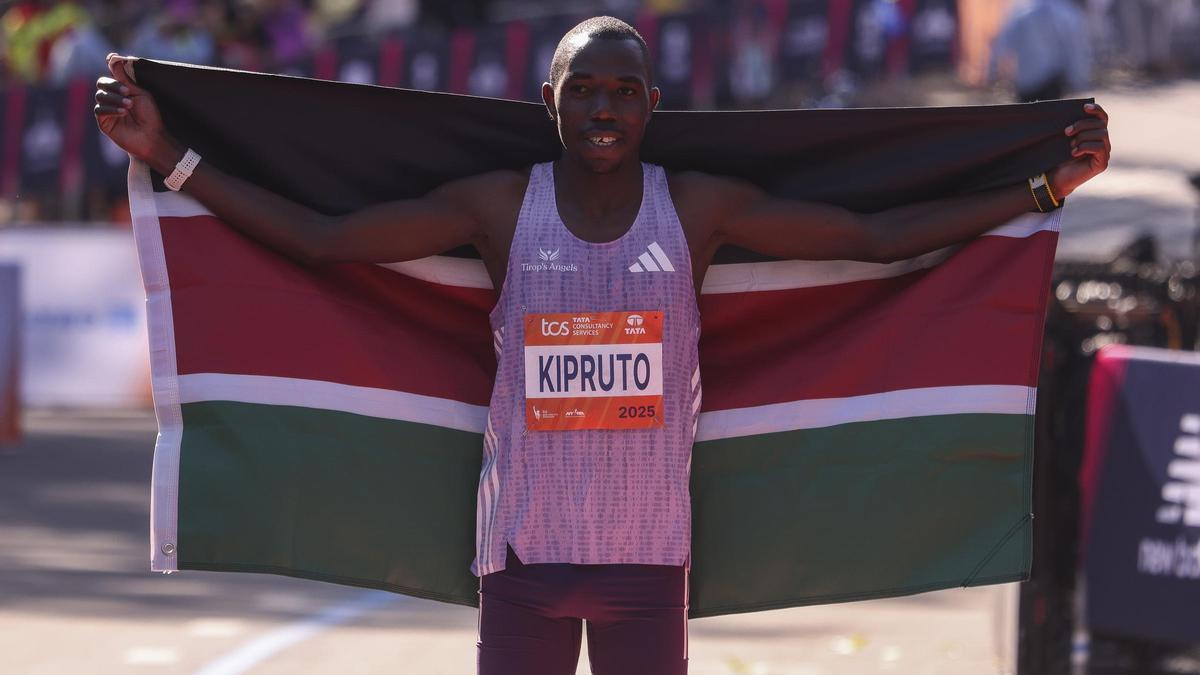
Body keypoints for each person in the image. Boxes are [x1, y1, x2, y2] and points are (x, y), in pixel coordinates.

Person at [95, 15, 1110, 675]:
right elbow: (323, 242)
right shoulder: (498, 207)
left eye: (622, 93)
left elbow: (876, 240)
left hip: (644, 563)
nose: (603, 110)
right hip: (524, 557)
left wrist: (1042, 191)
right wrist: (170, 157)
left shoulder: (696, 209)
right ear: (551, 103)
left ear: (650, 107)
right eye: (583, 91)